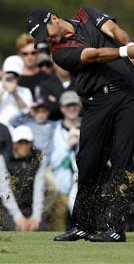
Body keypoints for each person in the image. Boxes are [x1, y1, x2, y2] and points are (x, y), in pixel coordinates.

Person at [26, 6, 134, 242]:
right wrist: (125, 51)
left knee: (121, 159)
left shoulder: (86, 14)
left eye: (46, 33)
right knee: (88, 160)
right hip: (97, 101)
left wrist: (132, 45)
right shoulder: (58, 52)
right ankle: (84, 224)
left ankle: (114, 228)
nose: (47, 39)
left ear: (54, 18)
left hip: (128, 94)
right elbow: (92, 55)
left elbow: (114, 30)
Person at [0, 125, 46, 231]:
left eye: (26, 142)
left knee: (40, 228)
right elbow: (5, 190)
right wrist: (18, 217)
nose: (23, 146)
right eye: (20, 142)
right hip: (9, 208)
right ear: (14, 144)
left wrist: (36, 216)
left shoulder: (39, 157)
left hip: (30, 207)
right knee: (10, 228)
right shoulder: (3, 158)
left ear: (31, 144)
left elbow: (39, 188)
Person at [50, 91, 82, 231]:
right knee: (60, 217)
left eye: (74, 105)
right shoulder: (54, 129)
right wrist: (67, 145)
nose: (72, 109)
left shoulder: (89, 125)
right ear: (62, 108)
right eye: (68, 105)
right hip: (62, 186)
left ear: (80, 106)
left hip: (83, 184)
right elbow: (52, 162)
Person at [0, 55, 33, 132]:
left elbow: (27, 113)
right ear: (3, 71)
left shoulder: (25, 91)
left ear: (19, 76)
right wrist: (3, 88)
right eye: (8, 72)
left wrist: (15, 94)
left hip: (17, 133)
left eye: (15, 75)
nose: (11, 76)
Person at [16, 33, 49, 100]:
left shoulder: (47, 78)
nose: (29, 57)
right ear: (19, 55)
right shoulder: (15, 78)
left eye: (33, 53)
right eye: (25, 54)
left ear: (38, 53)